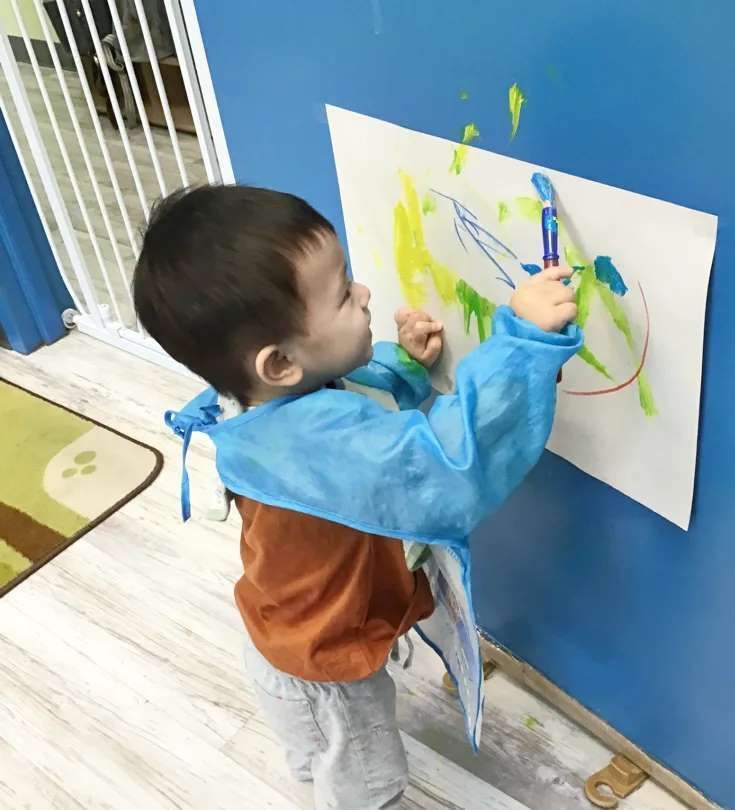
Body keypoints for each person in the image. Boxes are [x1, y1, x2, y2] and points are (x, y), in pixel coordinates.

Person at [133, 184, 581, 809]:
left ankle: (312, 760)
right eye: (345, 294)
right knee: (368, 787)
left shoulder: (265, 402)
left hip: (283, 634)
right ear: (278, 362)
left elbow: (345, 397)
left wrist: (404, 367)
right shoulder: (311, 443)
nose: (365, 292)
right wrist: (522, 343)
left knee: (315, 748)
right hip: (326, 666)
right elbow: (445, 468)